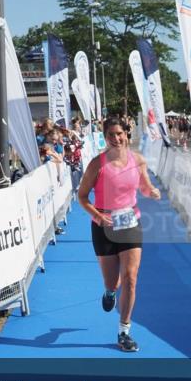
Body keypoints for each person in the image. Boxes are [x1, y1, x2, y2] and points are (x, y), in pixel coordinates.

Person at [77, 117, 161, 353]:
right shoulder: (97, 164)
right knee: (113, 281)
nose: (115, 139)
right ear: (105, 138)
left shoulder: (138, 161)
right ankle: (109, 292)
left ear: (127, 134)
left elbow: (143, 187)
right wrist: (97, 216)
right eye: (110, 135)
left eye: (119, 134)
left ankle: (124, 331)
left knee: (131, 278)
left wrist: (151, 191)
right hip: (103, 224)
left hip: (130, 222)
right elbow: (82, 197)